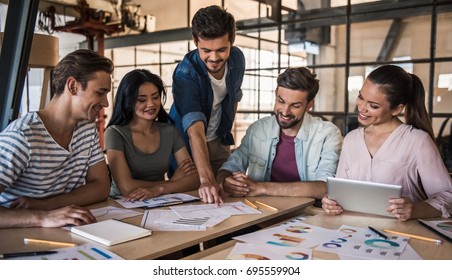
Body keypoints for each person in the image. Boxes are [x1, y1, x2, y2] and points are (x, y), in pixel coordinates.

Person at [322, 64, 452, 221]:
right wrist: (331, 202)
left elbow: (447, 196)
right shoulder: (351, 139)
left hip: (405, 235)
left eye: (373, 105)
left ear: (397, 109)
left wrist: (414, 210)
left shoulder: (418, 141)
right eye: (361, 97)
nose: (362, 108)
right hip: (353, 231)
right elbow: (340, 193)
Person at [0, 49, 113, 227]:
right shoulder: (21, 137)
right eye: (100, 92)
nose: (106, 102)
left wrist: (47, 206)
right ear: (73, 86)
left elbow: (101, 187)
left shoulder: (87, 130)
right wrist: (44, 217)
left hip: (63, 230)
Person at [216, 67, 343, 202]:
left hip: (305, 212)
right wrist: (225, 181)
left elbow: (324, 187)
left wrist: (261, 188)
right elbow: (229, 167)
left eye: (295, 106)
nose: (285, 111)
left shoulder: (328, 134)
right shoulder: (258, 129)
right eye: (281, 101)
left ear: (309, 105)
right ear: (275, 94)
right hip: (261, 210)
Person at [168, 5, 245, 205]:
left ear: (231, 41)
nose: (214, 58)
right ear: (195, 41)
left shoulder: (237, 58)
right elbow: (194, 130)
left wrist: (225, 134)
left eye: (221, 49)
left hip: (218, 139)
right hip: (187, 144)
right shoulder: (185, 73)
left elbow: (233, 98)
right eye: (206, 50)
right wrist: (205, 179)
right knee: (192, 200)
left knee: (225, 198)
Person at [105, 69, 199, 201]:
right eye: (141, 99)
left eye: (155, 97)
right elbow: (126, 187)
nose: (151, 104)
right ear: (128, 101)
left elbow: (194, 179)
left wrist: (159, 190)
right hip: (122, 203)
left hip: (159, 201)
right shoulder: (115, 133)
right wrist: (174, 182)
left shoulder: (169, 131)